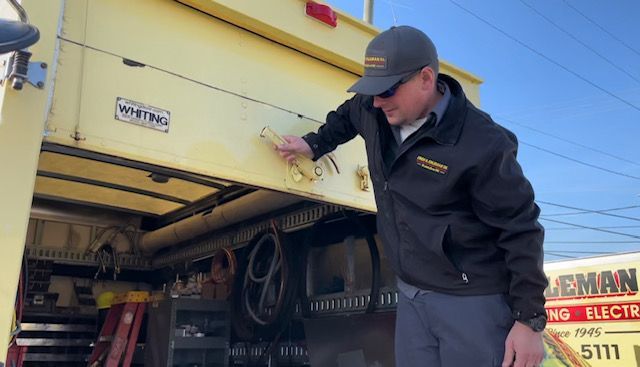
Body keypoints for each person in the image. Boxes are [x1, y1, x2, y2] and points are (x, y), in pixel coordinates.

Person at [276, 26, 548, 367]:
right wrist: (313, 143)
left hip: (470, 298)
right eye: (372, 90)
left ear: (425, 78)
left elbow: (521, 229)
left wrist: (529, 321)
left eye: (387, 90)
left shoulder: (482, 143)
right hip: (411, 293)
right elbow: (348, 115)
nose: (376, 101)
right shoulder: (374, 110)